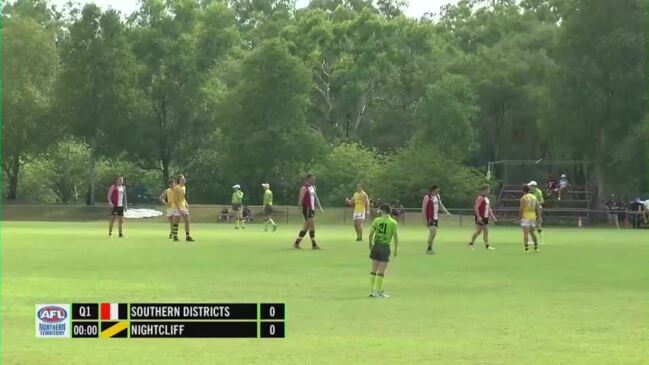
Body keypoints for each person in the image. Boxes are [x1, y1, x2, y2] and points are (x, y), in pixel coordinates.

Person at [368, 204, 399, 298]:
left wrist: (370, 243)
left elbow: (371, 233)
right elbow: (395, 237)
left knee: (374, 269)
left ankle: (371, 290)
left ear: (383, 211)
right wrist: (396, 249)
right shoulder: (393, 222)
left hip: (376, 245)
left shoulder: (377, 220)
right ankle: (379, 291)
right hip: (385, 247)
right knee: (381, 271)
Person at [294, 174, 322, 249]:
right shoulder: (304, 188)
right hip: (307, 209)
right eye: (312, 179)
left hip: (312, 209)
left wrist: (317, 207)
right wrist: (300, 210)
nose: (314, 180)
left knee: (306, 227)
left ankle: (296, 243)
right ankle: (314, 244)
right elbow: (300, 200)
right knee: (312, 226)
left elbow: (315, 199)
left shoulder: (313, 188)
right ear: (308, 179)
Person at [422, 185, 451, 255]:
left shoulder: (437, 196)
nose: (438, 192)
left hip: (436, 217)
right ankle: (429, 248)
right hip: (430, 218)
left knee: (433, 234)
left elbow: (441, 205)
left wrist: (446, 212)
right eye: (437, 191)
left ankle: (430, 247)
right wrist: (425, 220)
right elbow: (424, 209)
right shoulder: (427, 197)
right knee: (433, 232)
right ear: (433, 190)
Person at [469, 185, 497, 250]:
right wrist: (478, 216)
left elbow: (489, 208)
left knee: (486, 231)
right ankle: (471, 244)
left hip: (485, 217)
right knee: (478, 231)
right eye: (488, 190)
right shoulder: (480, 198)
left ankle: (487, 245)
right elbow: (476, 207)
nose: (489, 191)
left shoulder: (487, 198)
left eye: (489, 190)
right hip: (480, 217)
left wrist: (493, 216)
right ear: (484, 190)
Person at [171, 174, 194, 242]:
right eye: (182, 179)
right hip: (177, 206)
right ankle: (175, 236)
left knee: (187, 220)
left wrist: (186, 203)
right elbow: (175, 200)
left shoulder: (184, 187)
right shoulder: (176, 188)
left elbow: (183, 197)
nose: (184, 180)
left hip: (183, 206)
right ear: (179, 180)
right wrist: (178, 209)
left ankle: (187, 236)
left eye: (184, 179)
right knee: (176, 221)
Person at [520, 185, 541, 252]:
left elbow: (521, 208)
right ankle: (536, 246)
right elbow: (538, 207)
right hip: (533, 216)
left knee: (525, 233)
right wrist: (539, 217)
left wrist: (520, 217)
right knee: (532, 232)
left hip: (526, 215)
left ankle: (526, 248)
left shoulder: (523, 198)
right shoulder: (534, 197)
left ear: (523, 191)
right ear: (529, 190)